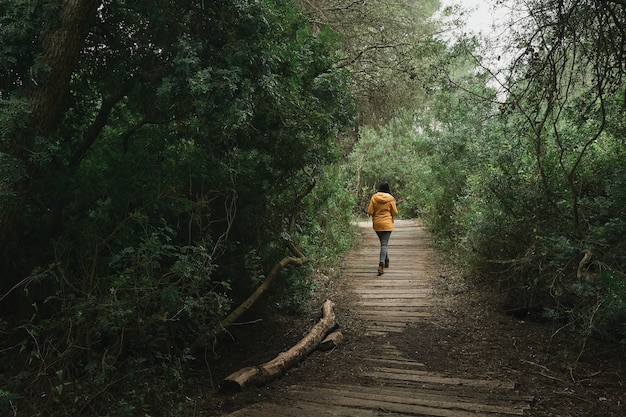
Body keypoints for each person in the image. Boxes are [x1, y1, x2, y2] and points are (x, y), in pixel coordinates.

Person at [367, 181, 398, 275]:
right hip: (387, 224)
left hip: (377, 224)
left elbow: (370, 211)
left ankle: (386, 260)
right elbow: (395, 212)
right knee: (384, 244)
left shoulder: (374, 197)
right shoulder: (391, 199)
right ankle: (381, 264)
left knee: (383, 243)